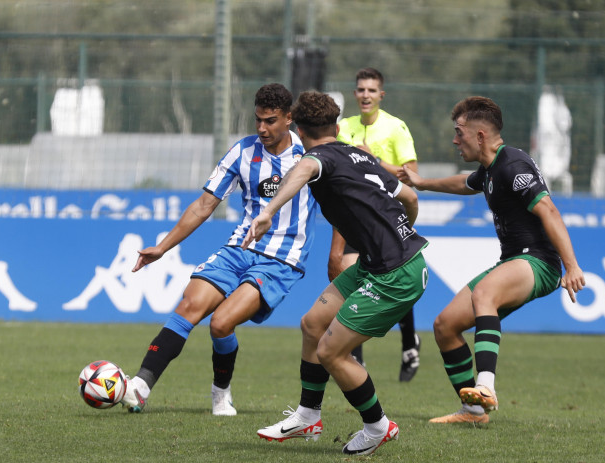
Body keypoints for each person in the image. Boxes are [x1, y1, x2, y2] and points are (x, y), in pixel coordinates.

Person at [244, 91, 428, 455]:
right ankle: (308, 416)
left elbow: (305, 170)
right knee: (313, 324)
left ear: (297, 125)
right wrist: (400, 232)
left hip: (396, 273)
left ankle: (377, 426)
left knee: (331, 351)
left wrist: (268, 212)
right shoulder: (358, 154)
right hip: (379, 262)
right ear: (337, 124)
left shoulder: (318, 157)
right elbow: (410, 197)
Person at [120, 83, 317, 416]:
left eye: (270, 121)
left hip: (281, 259)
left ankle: (220, 394)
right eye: (257, 120)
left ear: (289, 118)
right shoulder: (243, 151)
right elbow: (204, 204)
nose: (261, 128)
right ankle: (140, 387)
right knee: (189, 305)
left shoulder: (310, 155)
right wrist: (163, 248)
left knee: (221, 324)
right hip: (239, 248)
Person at [403, 96, 586, 424]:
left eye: (459, 132)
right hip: (513, 261)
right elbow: (464, 182)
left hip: (539, 262)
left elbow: (549, 211)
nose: (455, 140)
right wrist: (421, 183)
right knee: (445, 326)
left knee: (483, 293)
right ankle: (474, 412)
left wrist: (571, 265)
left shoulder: (513, 165)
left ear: (480, 136)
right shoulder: (490, 169)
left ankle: (485, 387)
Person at [333, 67, 421, 381]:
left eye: (371, 90)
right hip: (356, 219)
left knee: (392, 275)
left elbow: (411, 176)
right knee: (348, 271)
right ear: (355, 93)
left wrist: (373, 160)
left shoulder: (396, 128)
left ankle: (409, 341)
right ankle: (355, 354)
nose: (365, 95)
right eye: (360, 90)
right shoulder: (343, 127)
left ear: (381, 95)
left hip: (388, 219)